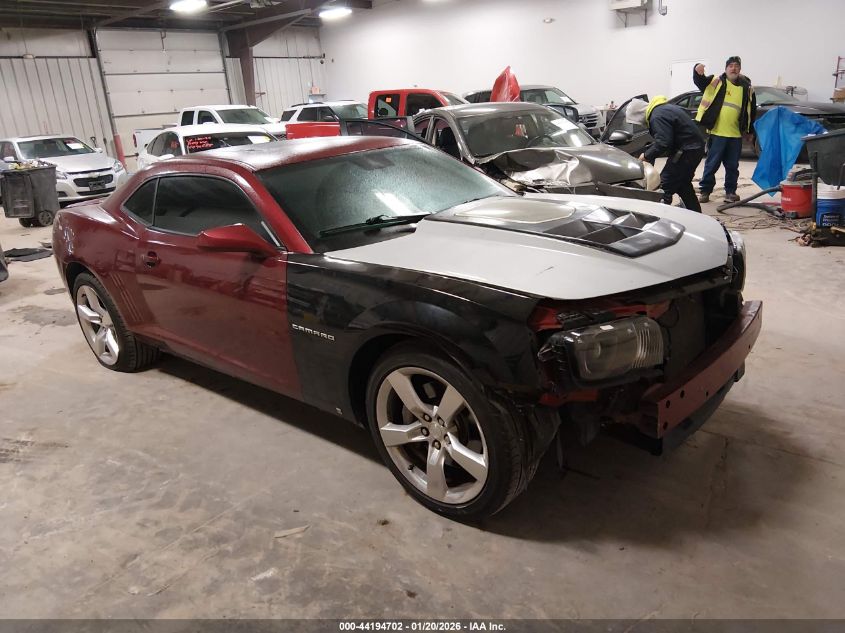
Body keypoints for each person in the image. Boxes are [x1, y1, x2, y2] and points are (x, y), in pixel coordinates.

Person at [693, 56, 757, 203]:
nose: (733, 68)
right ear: (726, 68)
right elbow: (700, 82)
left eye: (736, 66)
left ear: (740, 69)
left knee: (732, 166)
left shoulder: (747, 88)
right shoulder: (717, 82)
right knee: (712, 164)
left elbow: (751, 111)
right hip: (717, 133)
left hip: (735, 134)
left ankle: (730, 192)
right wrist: (697, 70)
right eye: (731, 66)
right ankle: (705, 191)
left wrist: (749, 131)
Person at [625, 96, 706, 212]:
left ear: (639, 115)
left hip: (686, 151)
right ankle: (697, 216)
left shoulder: (656, 116)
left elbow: (664, 142)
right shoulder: (662, 109)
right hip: (693, 149)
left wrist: (646, 156)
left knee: (664, 188)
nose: (640, 124)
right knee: (683, 186)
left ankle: (659, 219)